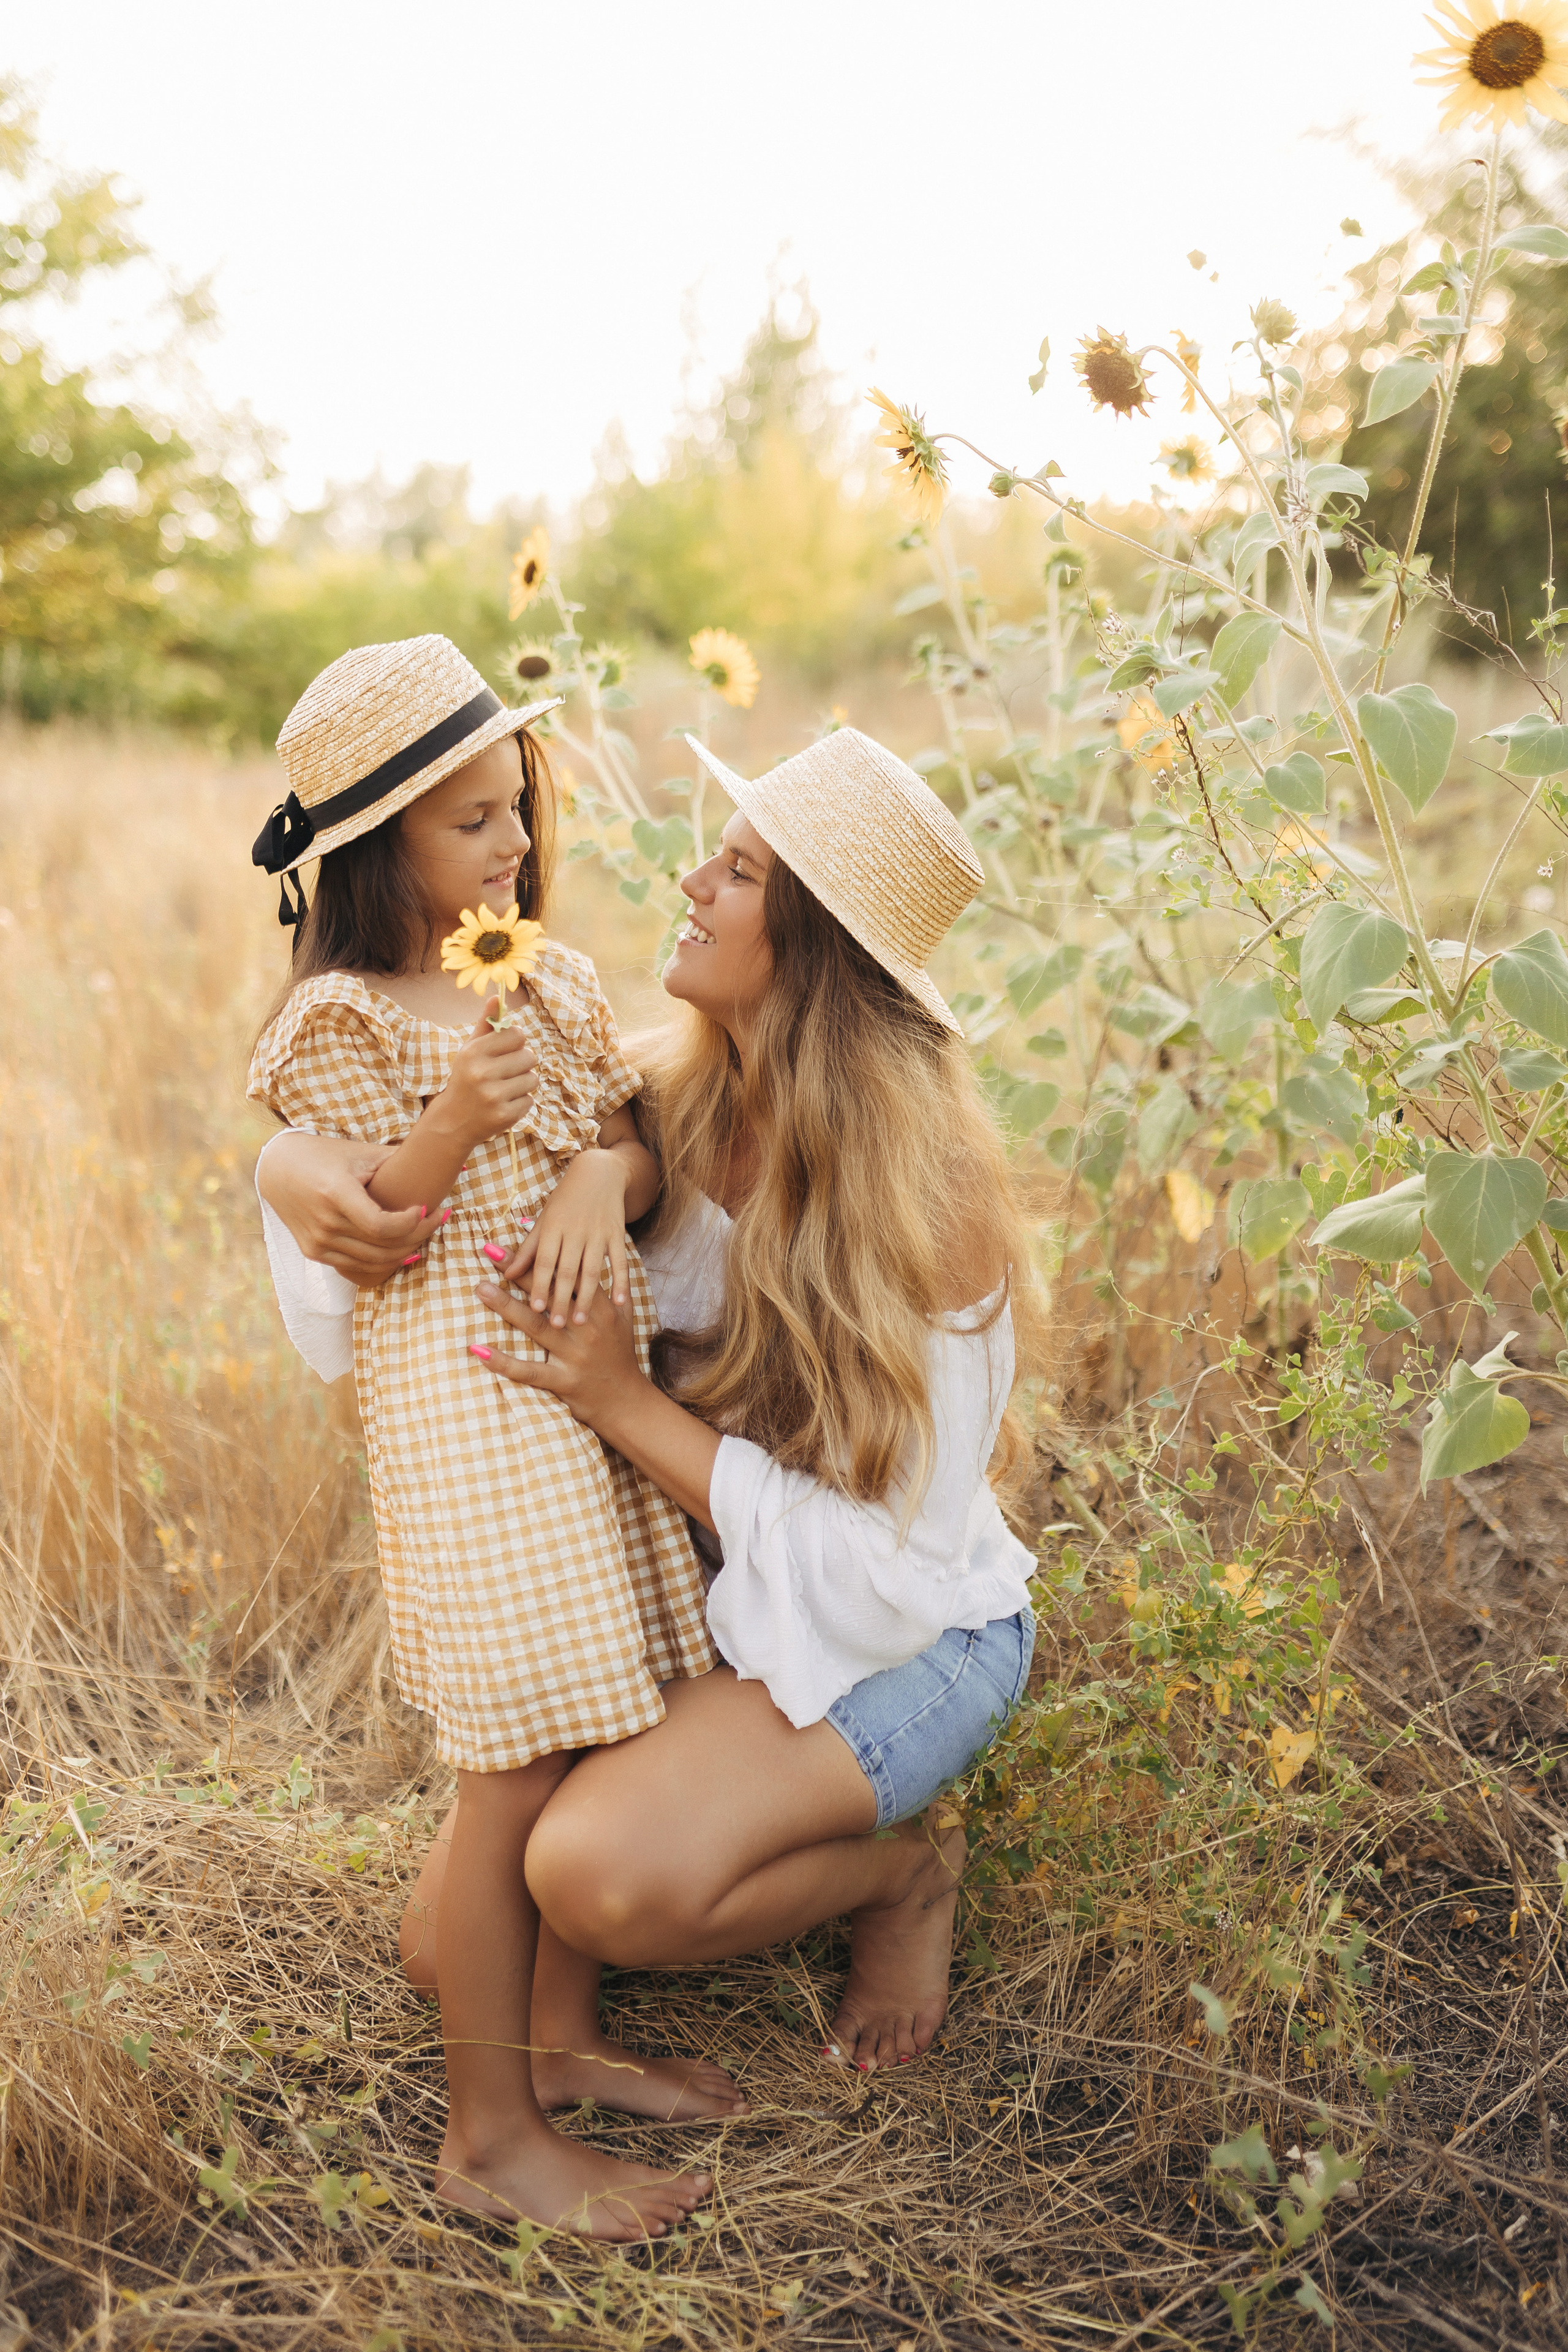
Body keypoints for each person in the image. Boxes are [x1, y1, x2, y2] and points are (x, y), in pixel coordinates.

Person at [256, 725, 1042, 2133]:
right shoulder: (659, 1092)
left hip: (902, 1635)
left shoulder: (926, 1210)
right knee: (444, 1954)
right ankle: (685, 1837)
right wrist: (287, 1160)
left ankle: (902, 1876)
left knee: (596, 1876)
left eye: (737, 873)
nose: (691, 882)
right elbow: (397, 1187)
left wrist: (620, 1402)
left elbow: (887, 1573)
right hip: (698, 1587)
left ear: (812, 950)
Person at [247, 635, 715, 2241]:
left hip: (582, 1409)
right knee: (512, 1762)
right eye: (470, 822)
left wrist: (596, 1178)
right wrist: (458, 1114)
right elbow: (369, 1226)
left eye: (517, 805)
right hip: (468, 1426)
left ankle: (560, 2041)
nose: (513, 842)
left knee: (593, 1723)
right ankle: (488, 2133)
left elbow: (633, 1152)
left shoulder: (552, 979)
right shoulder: (342, 1021)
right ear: (379, 853)